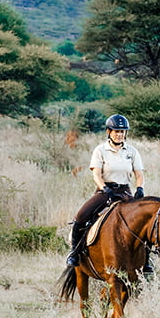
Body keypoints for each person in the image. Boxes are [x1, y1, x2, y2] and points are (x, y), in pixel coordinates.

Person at [66, 114, 146, 267]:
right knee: (81, 216)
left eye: (122, 132)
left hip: (125, 192)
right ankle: (74, 253)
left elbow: (139, 173)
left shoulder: (132, 151)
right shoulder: (100, 150)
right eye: (116, 131)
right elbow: (96, 174)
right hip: (105, 191)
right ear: (109, 132)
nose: (119, 134)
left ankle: (146, 261)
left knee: (143, 221)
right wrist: (104, 188)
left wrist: (140, 188)